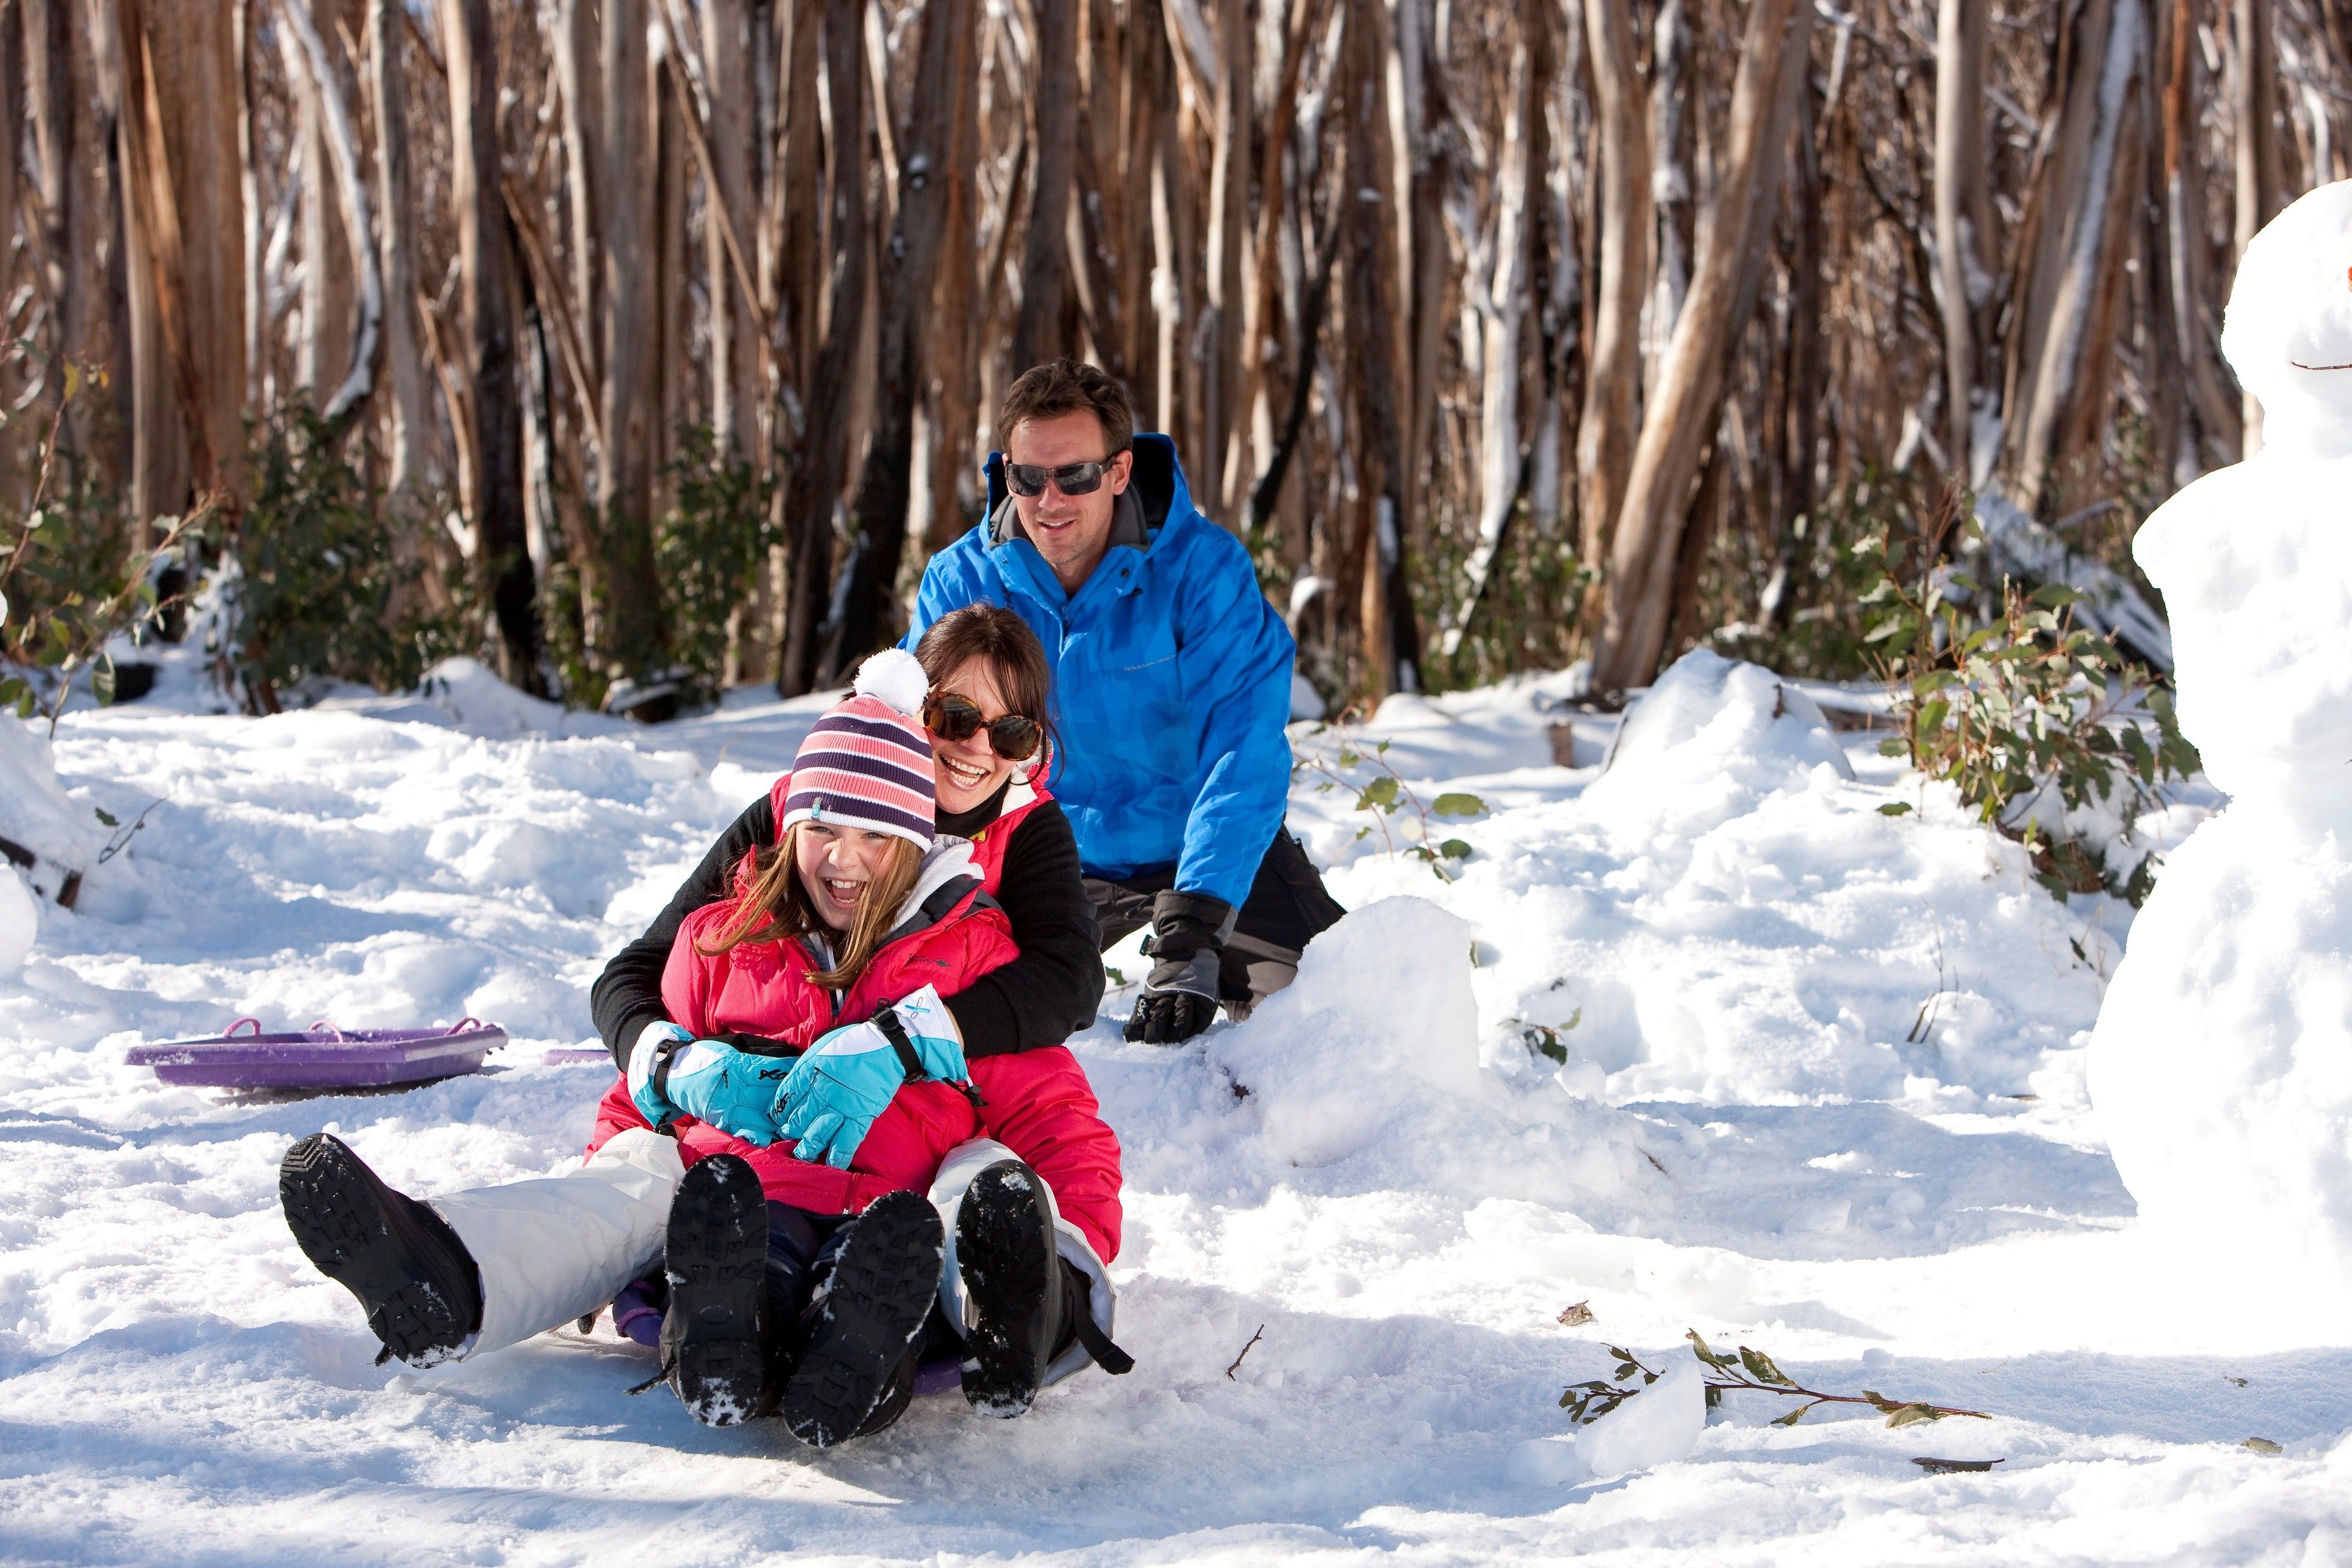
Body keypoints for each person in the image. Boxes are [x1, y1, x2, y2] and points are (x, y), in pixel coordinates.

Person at [279, 646, 1126, 1447]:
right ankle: (452, 1273)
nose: (846, 860)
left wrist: (1070, 1254)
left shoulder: (969, 952)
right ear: (787, 828)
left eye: (877, 838)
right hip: (744, 1205)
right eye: (825, 829)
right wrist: (668, 1072)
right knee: (657, 1181)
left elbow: (1055, 1103)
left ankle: (1013, 1305)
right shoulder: (724, 942)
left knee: (973, 1180)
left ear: (915, 848)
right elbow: (630, 1050)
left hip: (890, 1221)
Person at [905, 359, 1345, 1044]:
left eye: (1075, 475)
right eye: (1029, 478)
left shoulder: (1204, 571)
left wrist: (1195, 924)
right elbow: (908, 735)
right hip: (1047, 849)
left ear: (1118, 471)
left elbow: (1244, 747)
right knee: (955, 1016)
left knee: (1332, 1018)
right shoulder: (962, 580)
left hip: (1199, 840)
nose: (1050, 501)